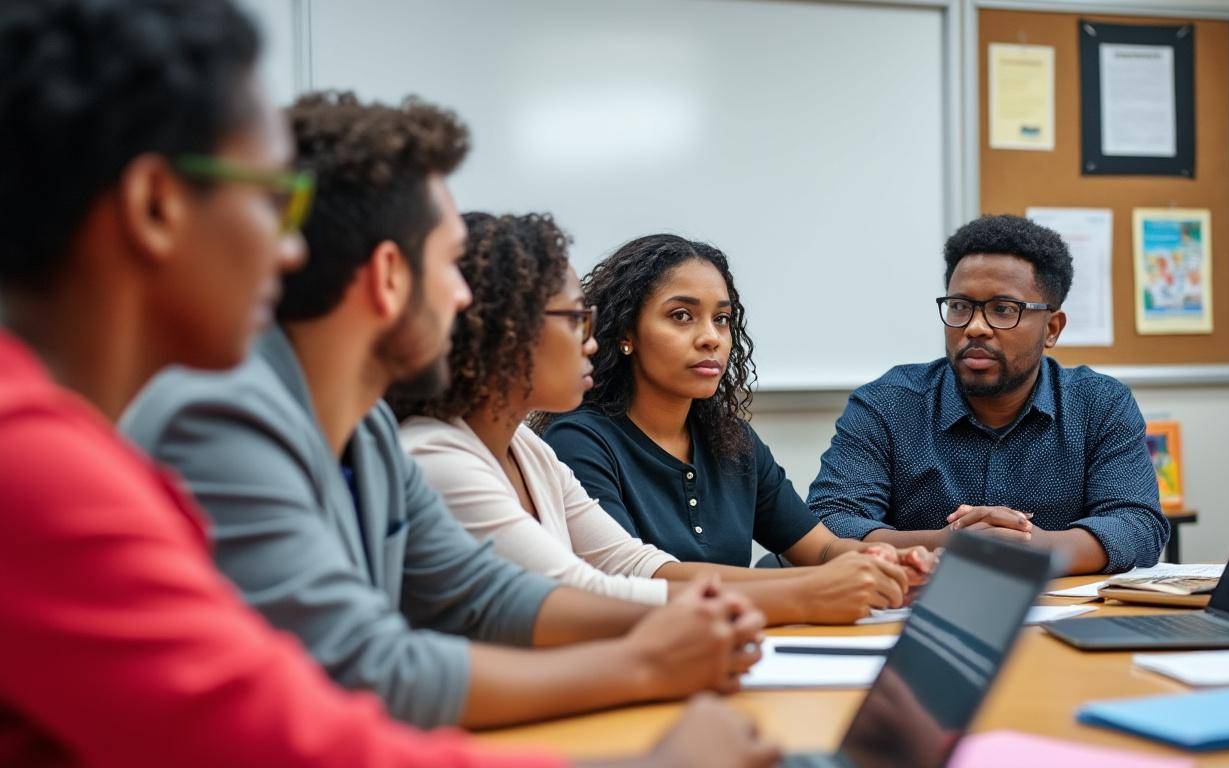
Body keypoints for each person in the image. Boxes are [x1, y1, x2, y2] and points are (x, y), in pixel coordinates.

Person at [0, 2, 777, 766]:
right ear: (156, 206)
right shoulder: (64, 455)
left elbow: (479, 593)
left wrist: (667, 634)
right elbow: (309, 715)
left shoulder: (364, 427)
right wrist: (648, 695)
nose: (292, 251)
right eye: (273, 202)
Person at [122, 91, 766, 730]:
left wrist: (693, 621)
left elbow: (488, 594)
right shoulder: (219, 418)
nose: (465, 299)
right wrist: (645, 665)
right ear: (389, 276)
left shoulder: (370, 432)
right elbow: (366, 667)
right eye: (451, 265)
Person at [392, 213, 929, 624]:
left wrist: (873, 566)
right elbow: (587, 592)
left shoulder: (529, 452)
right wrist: (807, 594)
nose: (590, 339)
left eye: (722, 319)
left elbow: (637, 567)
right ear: (504, 330)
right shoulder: (442, 457)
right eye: (575, 318)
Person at [539, 233, 936, 579]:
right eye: (682, 316)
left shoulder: (731, 440)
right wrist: (815, 586)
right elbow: (638, 579)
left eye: (722, 319)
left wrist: (888, 559)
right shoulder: (579, 440)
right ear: (627, 332)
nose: (711, 338)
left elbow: (822, 549)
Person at [807, 214, 1170, 575]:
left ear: (1052, 329)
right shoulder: (887, 404)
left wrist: (1035, 547)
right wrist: (949, 543)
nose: (975, 327)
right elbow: (828, 520)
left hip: (1060, 605)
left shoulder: (1099, 404)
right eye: (960, 306)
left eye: (1003, 309)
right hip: (917, 603)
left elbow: (1138, 526)